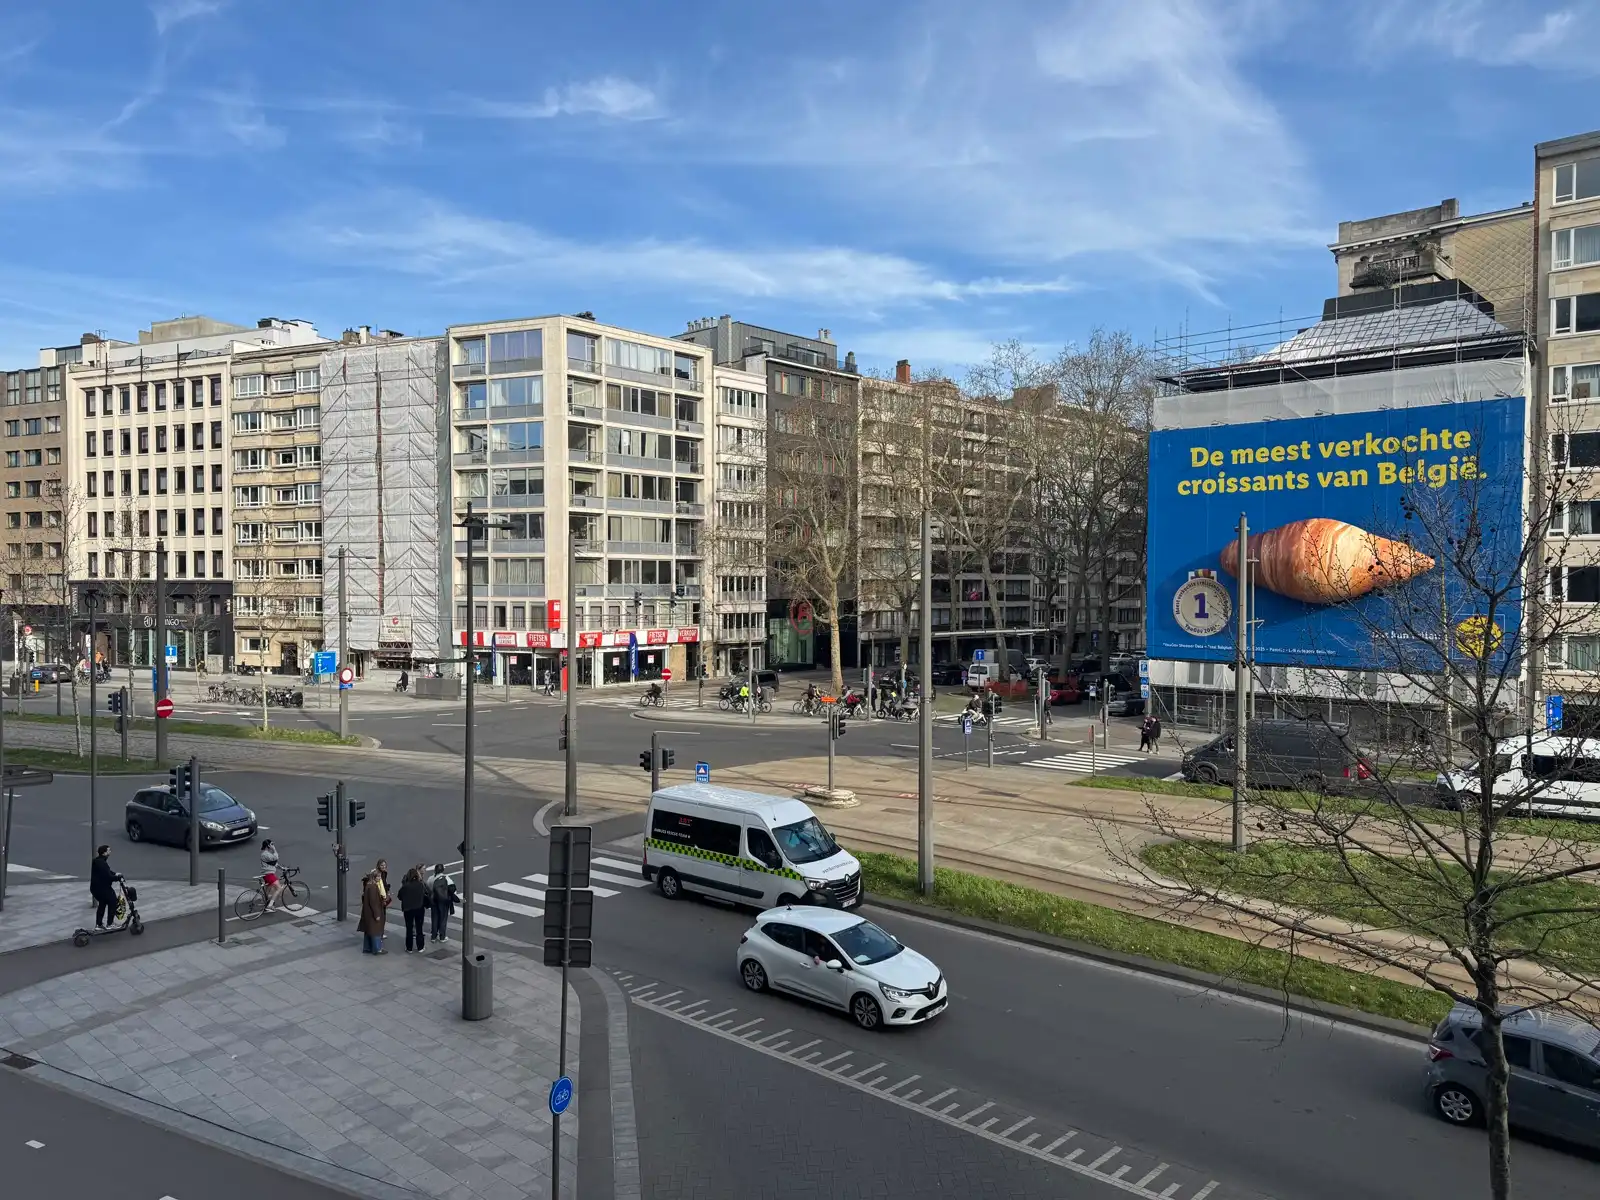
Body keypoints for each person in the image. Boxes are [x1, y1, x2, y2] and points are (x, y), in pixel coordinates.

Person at [398, 867, 429, 953]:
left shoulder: (405, 886)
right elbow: (425, 894)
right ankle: (420, 947)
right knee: (419, 928)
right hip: (419, 908)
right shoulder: (420, 885)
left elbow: (400, 896)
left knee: (409, 928)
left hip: (408, 909)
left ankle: (409, 948)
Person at [90, 845, 121, 929]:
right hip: (102, 888)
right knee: (113, 901)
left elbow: (107, 872)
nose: (110, 851)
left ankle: (99, 925)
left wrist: (115, 873)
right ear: (104, 853)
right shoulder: (102, 863)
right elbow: (108, 877)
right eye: (108, 850)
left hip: (96, 888)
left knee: (102, 903)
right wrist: (118, 878)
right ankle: (110, 924)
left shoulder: (98, 861)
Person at [358, 871, 387, 953]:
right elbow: (373, 902)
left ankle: (367, 948)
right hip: (372, 913)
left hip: (367, 912)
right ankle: (377, 949)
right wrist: (377, 914)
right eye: (378, 877)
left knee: (368, 930)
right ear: (374, 877)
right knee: (376, 931)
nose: (380, 878)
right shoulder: (373, 887)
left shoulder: (368, 885)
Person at [428, 863, 457, 943]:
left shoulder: (430, 879)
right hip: (443, 902)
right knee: (443, 919)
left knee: (434, 918)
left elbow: (428, 889)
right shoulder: (446, 878)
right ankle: (442, 936)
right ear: (443, 870)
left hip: (434, 901)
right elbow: (453, 889)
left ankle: (433, 936)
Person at [260, 838, 283, 910]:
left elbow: (273, 863)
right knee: (279, 888)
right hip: (269, 874)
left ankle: (265, 903)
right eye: (272, 844)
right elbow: (275, 858)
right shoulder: (265, 854)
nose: (273, 845)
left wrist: (282, 868)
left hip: (268, 874)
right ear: (268, 846)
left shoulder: (267, 854)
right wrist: (274, 849)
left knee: (268, 890)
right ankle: (269, 905)